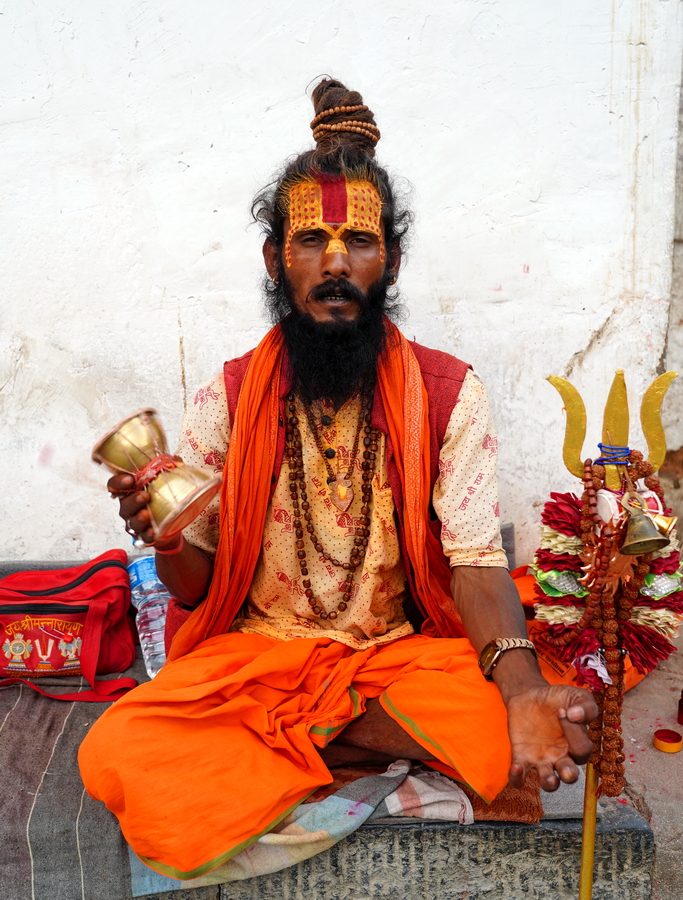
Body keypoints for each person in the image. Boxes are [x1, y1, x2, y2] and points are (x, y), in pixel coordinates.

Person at [79, 79, 598, 881]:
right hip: (256, 661)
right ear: (272, 258)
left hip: (395, 657)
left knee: (543, 721)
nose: (333, 263)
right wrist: (167, 534)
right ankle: (349, 740)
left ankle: (295, 745)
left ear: (387, 256)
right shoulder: (229, 395)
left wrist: (522, 689)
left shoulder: (446, 392)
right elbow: (193, 590)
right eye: (308, 240)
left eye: (357, 241)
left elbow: (475, 561)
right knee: (118, 745)